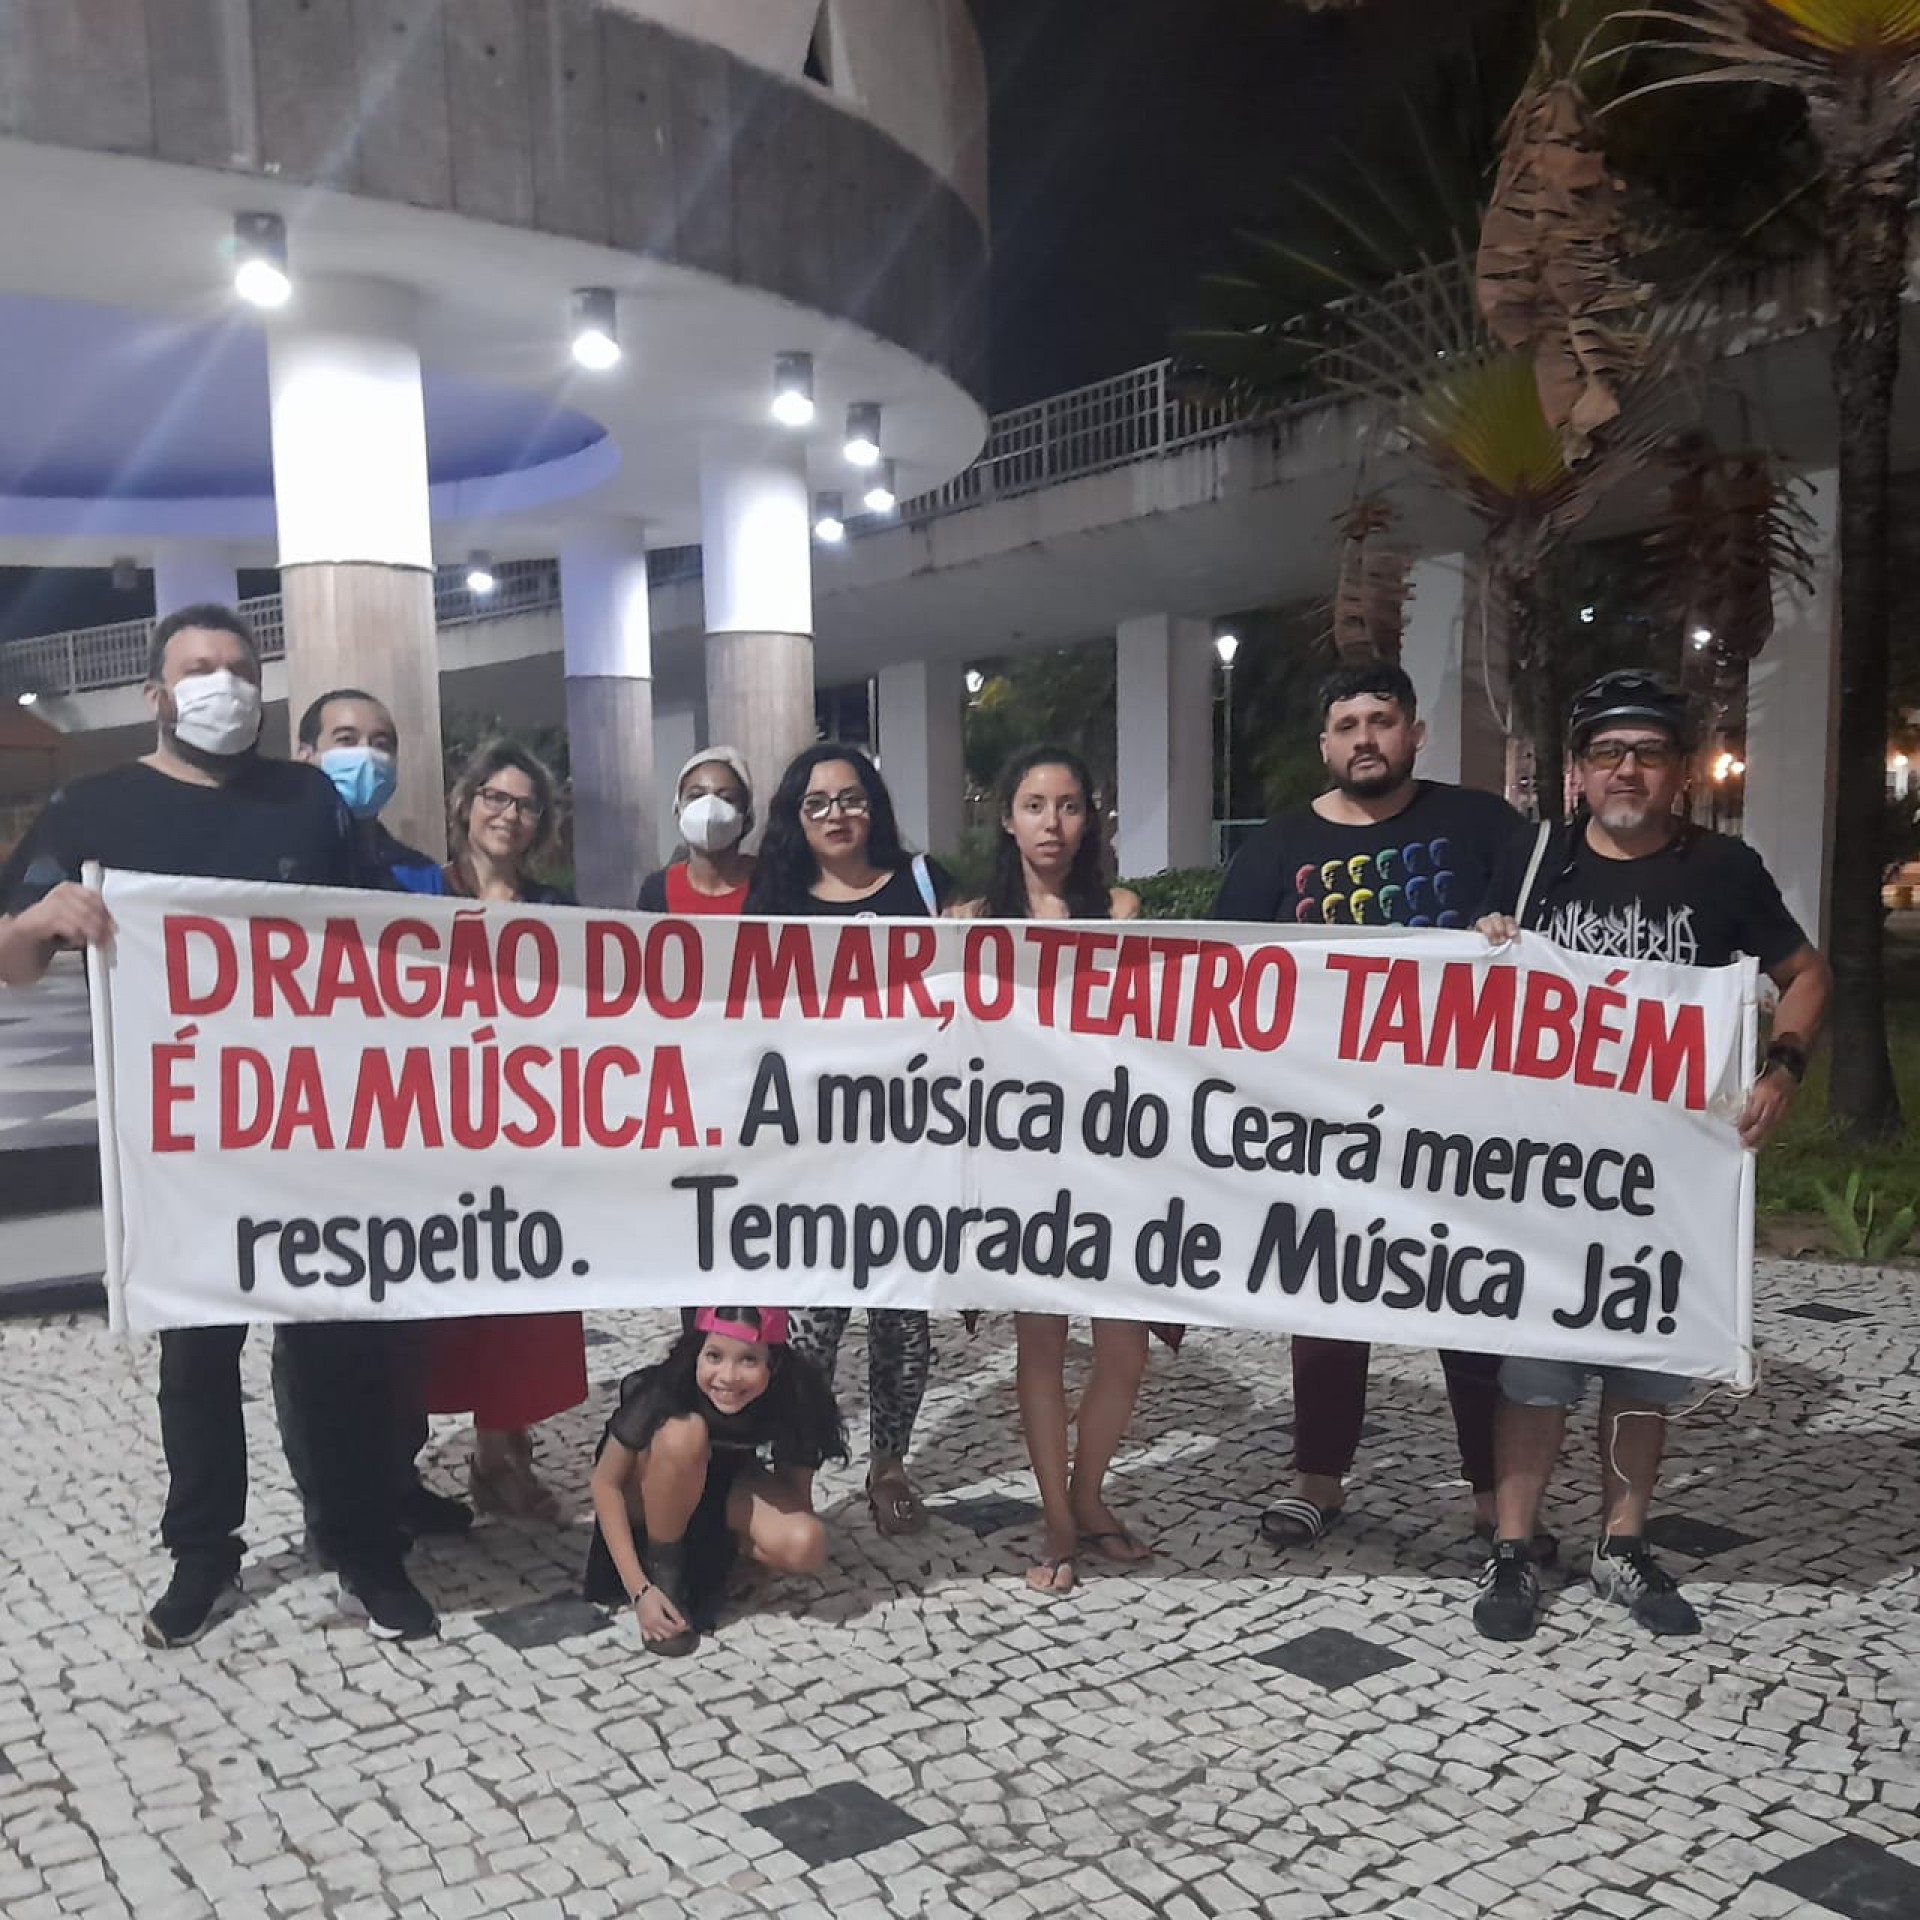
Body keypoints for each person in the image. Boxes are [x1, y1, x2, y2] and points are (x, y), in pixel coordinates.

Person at [0, 604, 435, 1643]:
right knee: (197, 1355)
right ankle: (204, 1555)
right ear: (157, 692)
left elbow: (381, 939)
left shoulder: (309, 803)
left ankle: (363, 1547)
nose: (225, 685)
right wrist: (40, 920)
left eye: (241, 668)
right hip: (180, 1138)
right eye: (200, 669)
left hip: (315, 1126)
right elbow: (13, 960)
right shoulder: (94, 807)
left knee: (337, 1347)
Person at [1470, 668, 1830, 1642]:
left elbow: (1805, 973)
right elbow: (1471, 986)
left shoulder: (1724, 870)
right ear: (1579, 772)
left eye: (1648, 752)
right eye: (1606, 752)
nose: (1626, 769)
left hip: (1666, 1176)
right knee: (1534, 1369)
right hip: (1548, 1173)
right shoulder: (1536, 862)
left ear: (1681, 772)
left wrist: (1784, 1068)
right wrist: (1487, 940)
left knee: (1645, 1365)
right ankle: (1514, 1547)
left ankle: (1622, 1543)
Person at [1214, 662, 1526, 1554]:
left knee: (1468, 1298)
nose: (1365, 739)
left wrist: (1511, 935)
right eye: (1347, 725)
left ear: (1414, 733)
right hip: (1321, 1124)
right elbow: (1218, 971)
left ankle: (1491, 1489)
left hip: (1457, 1122)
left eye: (1381, 721)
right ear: (1326, 745)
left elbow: (1551, 931)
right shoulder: (1276, 848)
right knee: (1324, 1297)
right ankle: (1319, 1478)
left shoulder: (1481, 826)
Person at [274, 687, 474, 1548]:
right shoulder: (268, 866)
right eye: (347, 738)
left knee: (401, 1321)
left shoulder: (417, 874)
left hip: (398, 1124)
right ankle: (332, 1508)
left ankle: (398, 1477)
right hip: (301, 1124)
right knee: (314, 1329)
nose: (369, 755)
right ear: (306, 753)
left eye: (383, 741)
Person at [953, 746, 1154, 1594]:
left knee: (1124, 1350)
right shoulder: (968, 920)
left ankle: (1087, 1492)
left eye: (1068, 806)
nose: (1052, 823)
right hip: (1019, 1159)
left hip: (1109, 1154)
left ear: (1089, 818)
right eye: (1034, 805)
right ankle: (1061, 1522)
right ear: (1007, 819)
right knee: (1039, 1346)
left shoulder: (1120, 912)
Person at [744, 743, 955, 1532]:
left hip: (912, 1137)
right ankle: (795, 1469)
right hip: (812, 1146)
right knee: (810, 1323)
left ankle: (888, 1465)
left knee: (902, 1317)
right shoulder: (773, 903)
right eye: (818, 802)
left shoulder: (924, 886)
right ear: (795, 817)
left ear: (876, 806)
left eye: (852, 798)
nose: (837, 814)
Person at [423, 739, 588, 1517]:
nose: (509, 814)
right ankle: (398, 1469)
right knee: (441, 1302)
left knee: (522, 1298)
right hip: (437, 1129)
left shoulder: (557, 913)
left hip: (530, 1135)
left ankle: (500, 1452)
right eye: (496, 797)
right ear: (466, 803)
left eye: (526, 804)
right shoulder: (416, 897)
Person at [583, 1307, 848, 1655]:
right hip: (648, 1493)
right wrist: (640, 1590)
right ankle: (666, 1573)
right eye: (714, 1356)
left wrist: (764, 1564)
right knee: (685, 1433)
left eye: (749, 1360)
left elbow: (797, 1496)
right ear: (697, 1352)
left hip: (719, 1486)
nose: (728, 1377)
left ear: (774, 1362)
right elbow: (605, 1483)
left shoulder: (796, 1393)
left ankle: (716, 1556)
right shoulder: (663, 1387)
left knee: (806, 1543)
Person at [637, 747, 756, 914]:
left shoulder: (772, 884)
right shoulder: (657, 891)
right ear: (679, 810)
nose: (709, 806)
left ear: (746, 816)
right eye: (696, 795)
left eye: (726, 798)